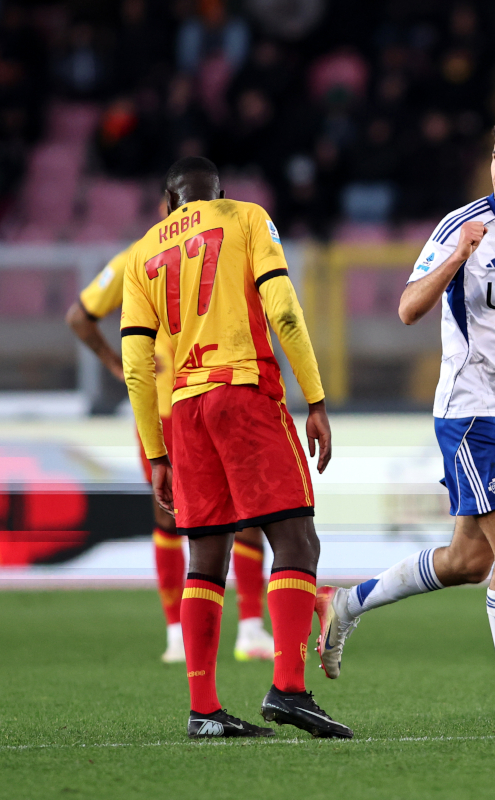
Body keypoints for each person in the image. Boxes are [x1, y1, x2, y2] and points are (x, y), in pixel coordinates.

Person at [313, 118, 495, 727]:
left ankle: (347, 601)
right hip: (469, 409)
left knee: (468, 562)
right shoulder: (461, 227)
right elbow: (409, 308)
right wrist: (458, 257)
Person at [120, 156, 350, 739]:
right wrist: (316, 398)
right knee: (295, 536)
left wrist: (156, 454)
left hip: (186, 414)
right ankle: (289, 690)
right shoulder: (246, 216)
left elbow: (137, 369)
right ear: (219, 191)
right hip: (243, 393)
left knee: (205, 554)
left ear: (171, 203)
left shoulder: (141, 253)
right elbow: (283, 311)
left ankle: (204, 711)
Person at [67, 202, 276, 665]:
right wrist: (116, 366)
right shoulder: (212, 247)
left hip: (181, 408)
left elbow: (79, 317)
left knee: (204, 515)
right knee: (224, 512)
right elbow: (78, 316)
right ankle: (223, 631)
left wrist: (117, 366)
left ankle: (210, 634)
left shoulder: (139, 257)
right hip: (194, 405)